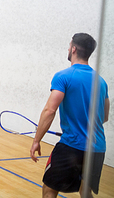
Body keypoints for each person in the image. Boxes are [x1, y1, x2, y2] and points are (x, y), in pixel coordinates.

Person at [30, 33, 110, 198]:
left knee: (49, 189)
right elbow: (104, 117)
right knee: (85, 191)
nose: (68, 48)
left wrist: (37, 140)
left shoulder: (63, 76)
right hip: (97, 148)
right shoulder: (101, 82)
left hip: (72, 146)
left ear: (73, 49)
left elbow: (49, 110)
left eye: (69, 45)